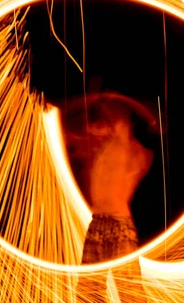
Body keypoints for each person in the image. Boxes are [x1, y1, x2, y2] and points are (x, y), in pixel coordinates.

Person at [62, 92, 157, 303]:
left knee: (130, 295)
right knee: (88, 294)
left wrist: (123, 100)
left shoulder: (138, 152)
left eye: (116, 116)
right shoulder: (101, 147)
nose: (110, 119)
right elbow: (70, 117)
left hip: (119, 228)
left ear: (128, 122)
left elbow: (153, 119)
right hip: (97, 225)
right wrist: (99, 98)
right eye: (109, 115)